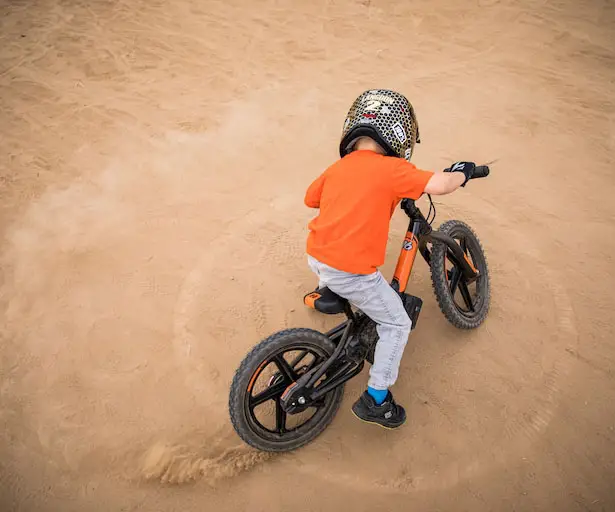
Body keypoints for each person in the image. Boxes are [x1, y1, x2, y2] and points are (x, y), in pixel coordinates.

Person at [304, 89, 477, 429]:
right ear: (399, 131)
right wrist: (462, 172)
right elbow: (439, 185)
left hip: (318, 257)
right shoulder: (393, 168)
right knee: (396, 323)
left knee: (336, 267)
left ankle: (327, 289)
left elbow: (312, 199)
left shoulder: (337, 167)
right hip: (350, 272)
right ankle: (377, 399)